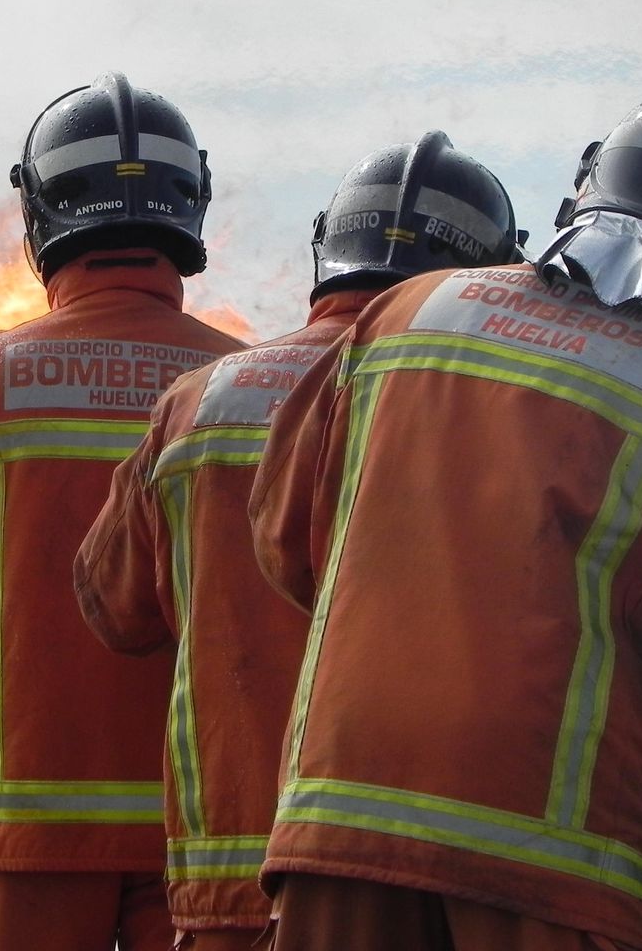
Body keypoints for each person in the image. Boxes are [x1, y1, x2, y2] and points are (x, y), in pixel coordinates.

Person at [249, 86, 642, 951]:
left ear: (586, 188)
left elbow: (286, 535)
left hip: (339, 825)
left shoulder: (407, 312)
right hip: (557, 861)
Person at [73, 133, 522, 948]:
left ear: (329, 249)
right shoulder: (487, 413)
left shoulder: (197, 402)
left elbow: (115, 609)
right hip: (400, 887)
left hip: (226, 882)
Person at [0, 72, 246, 950]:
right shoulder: (261, 388)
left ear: (41, 214)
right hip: (205, 830)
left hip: (20, 814)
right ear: (189, 208)